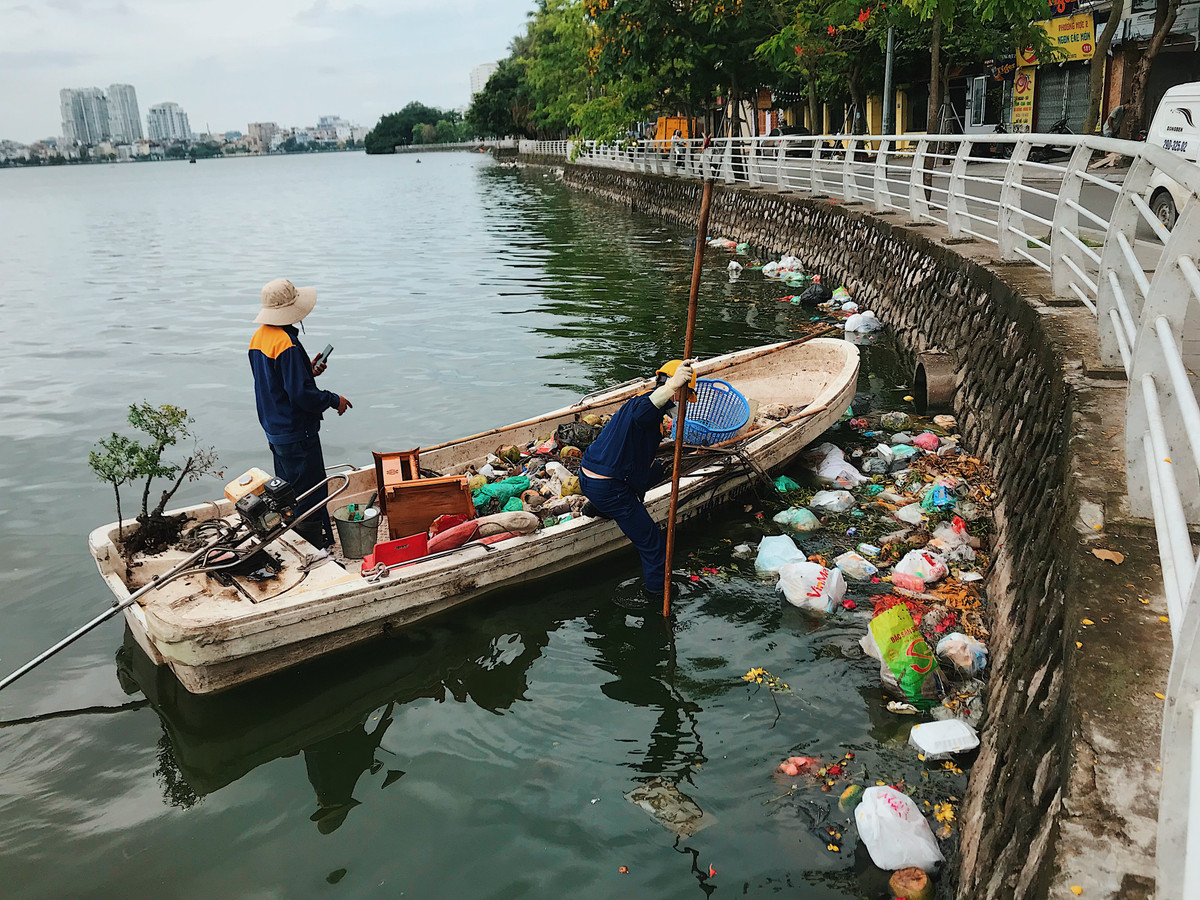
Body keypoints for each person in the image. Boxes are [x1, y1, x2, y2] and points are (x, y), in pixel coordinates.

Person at [248, 278, 351, 550]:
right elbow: (301, 396)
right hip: (297, 432)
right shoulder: (287, 344)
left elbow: (275, 384)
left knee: (287, 492)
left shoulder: (259, 338)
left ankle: (302, 541)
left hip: (275, 429)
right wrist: (333, 399)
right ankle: (314, 548)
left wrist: (308, 370)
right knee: (311, 493)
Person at [579, 359, 696, 596]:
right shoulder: (645, 407)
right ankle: (658, 593)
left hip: (587, 478)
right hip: (609, 487)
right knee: (653, 543)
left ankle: (598, 507)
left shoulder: (636, 405)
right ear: (675, 390)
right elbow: (647, 409)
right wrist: (673, 386)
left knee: (657, 470)